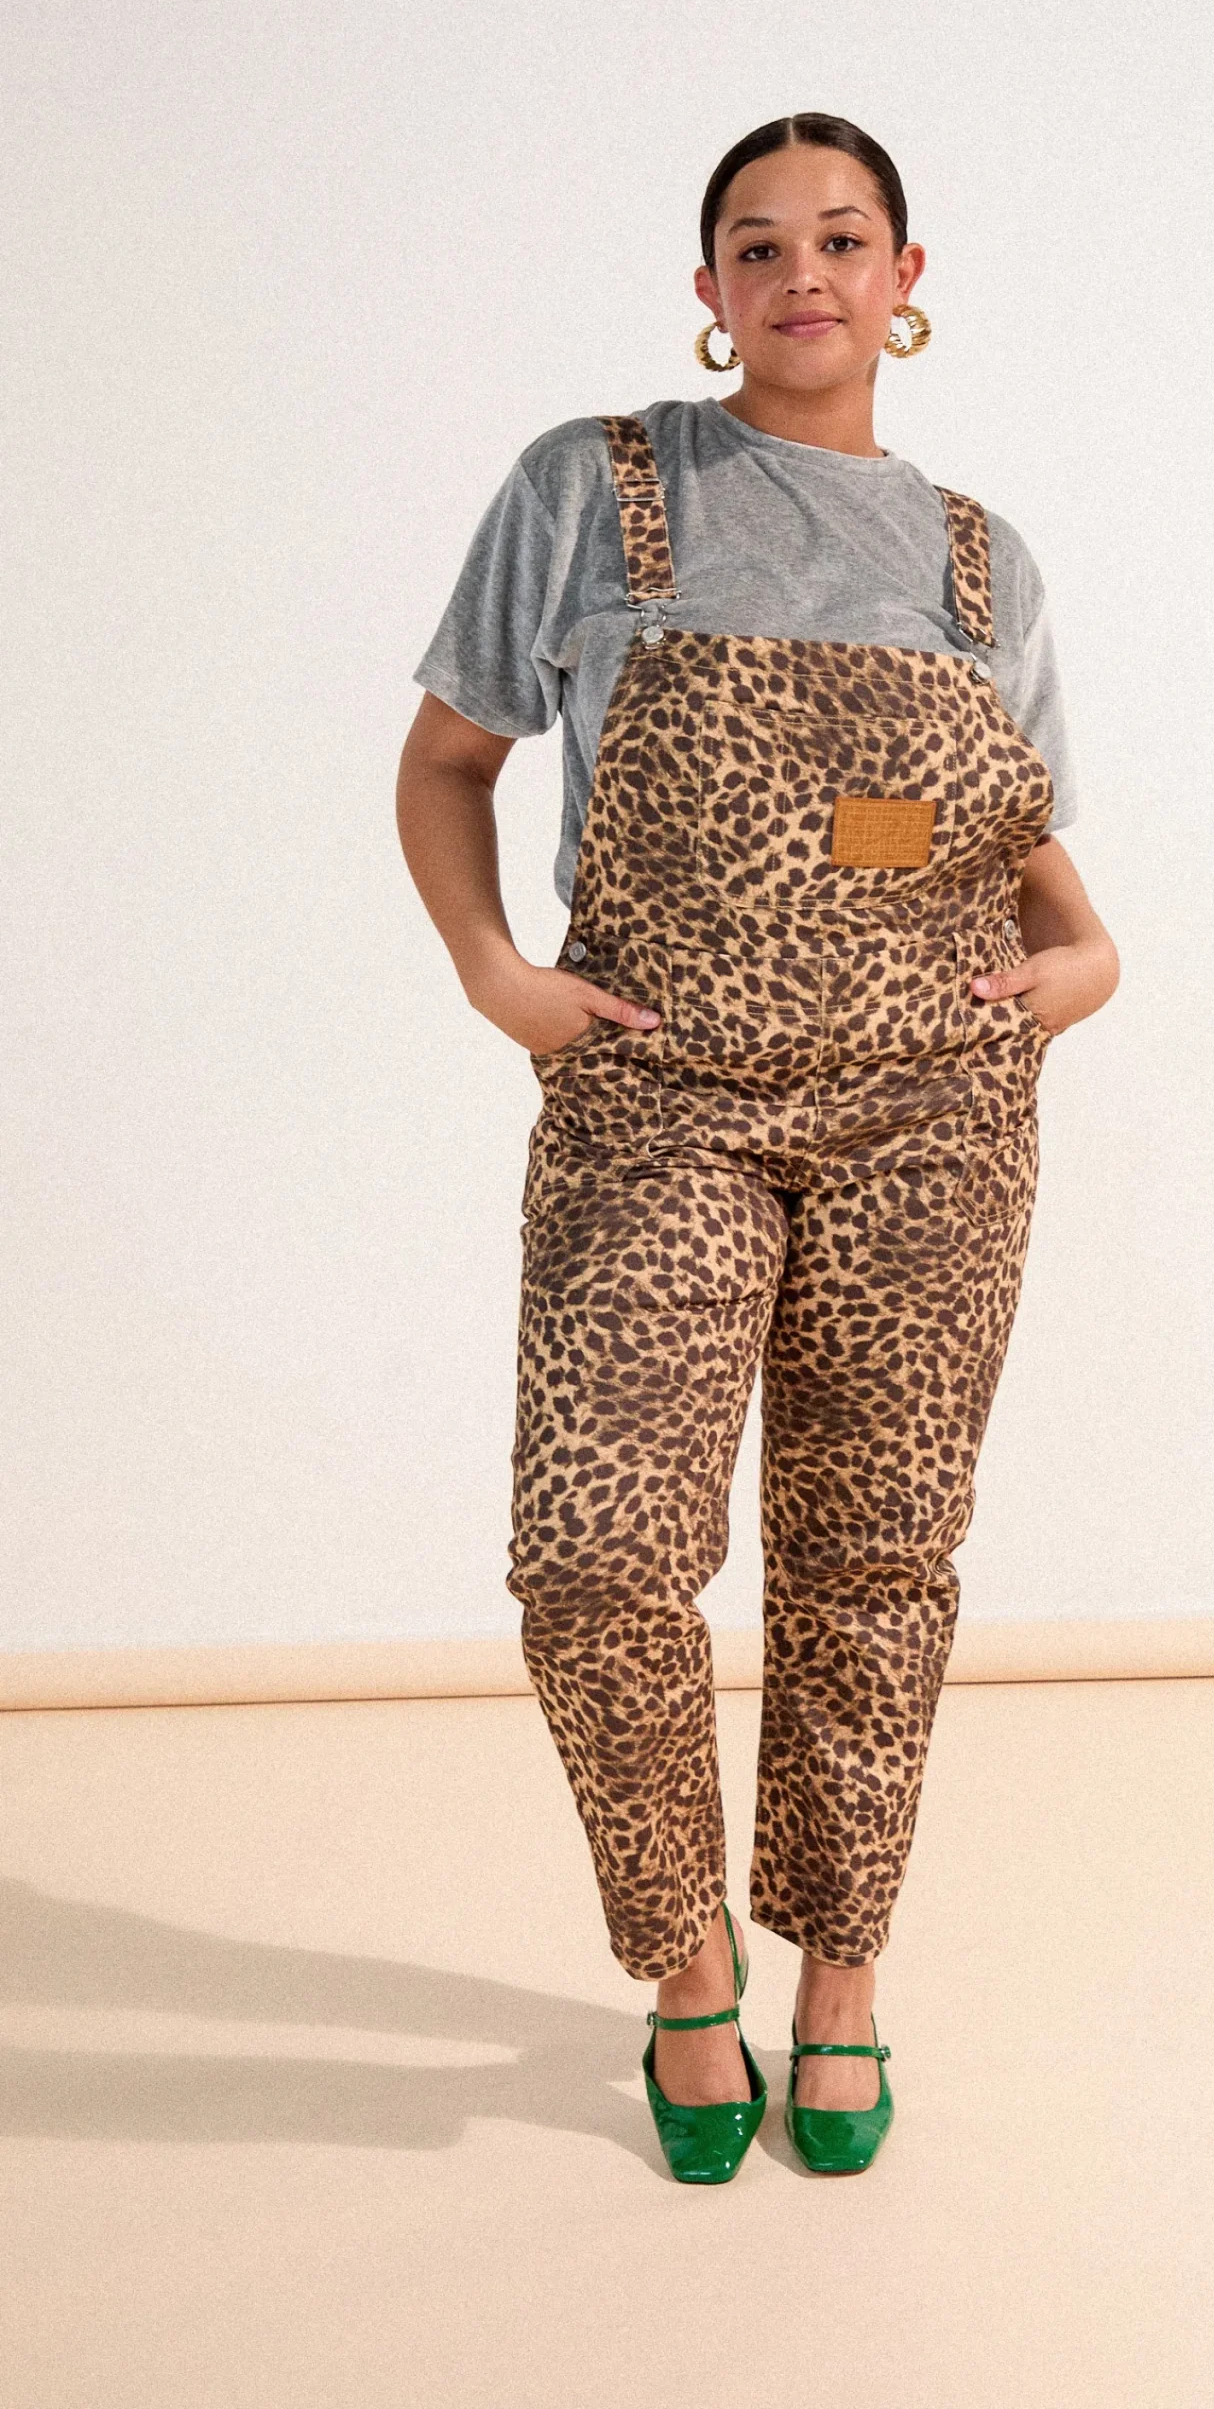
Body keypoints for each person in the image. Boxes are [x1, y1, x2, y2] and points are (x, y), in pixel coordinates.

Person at [396, 113, 1119, 2182]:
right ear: (708, 291)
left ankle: (843, 1978)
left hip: (931, 1116)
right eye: (758, 241)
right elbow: (447, 761)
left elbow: (1020, 860)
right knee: (597, 1553)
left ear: (905, 278)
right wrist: (494, 971)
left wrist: (1081, 964)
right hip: (661, 1094)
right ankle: (687, 1966)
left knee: (876, 1554)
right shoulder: (597, 487)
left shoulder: (980, 561)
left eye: (843, 236)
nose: (803, 270)